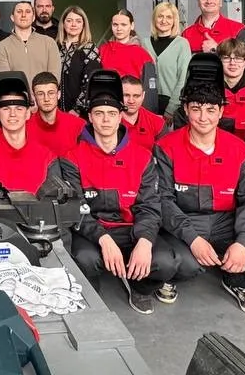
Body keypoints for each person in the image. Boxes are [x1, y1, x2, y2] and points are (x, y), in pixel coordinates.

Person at [155, 80, 245, 319]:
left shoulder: (240, 150)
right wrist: (192, 239)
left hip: (227, 222)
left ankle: (238, 281)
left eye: (211, 110)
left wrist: (243, 243)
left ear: (222, 111)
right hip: (185, 220)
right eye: (196, 109)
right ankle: (171, 277)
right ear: (185, 109)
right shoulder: (165, 147)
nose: (203, 117)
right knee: (182, 263)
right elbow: (162, 200)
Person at [66, 69, 172, 315]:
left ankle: (140, 287)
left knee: (166, 262)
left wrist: (145, 241)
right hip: (94, 230)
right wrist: (103, 239)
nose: (106, 120)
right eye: (99, 113)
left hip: (131, 228)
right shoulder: (72, 158)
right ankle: (91, 290)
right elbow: (76, 208)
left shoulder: (142, 157)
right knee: (83, 259)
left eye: (112, 113)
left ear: (120, 117)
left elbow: (150, 206)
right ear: (90, 117)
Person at [0, 72, 75, 194]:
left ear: (28, 113)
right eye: (6, 108)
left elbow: (55, 201)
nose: (12, 114)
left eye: (19, 109)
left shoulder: (48, 159)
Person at [0, 1, 61, 88]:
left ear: (33, 17)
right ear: (12, 17)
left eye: (28, 12)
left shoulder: (49, 43)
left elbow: (54, 77)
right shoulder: (2, 47)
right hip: (17, 96)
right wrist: (24, 94)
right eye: (19, 12)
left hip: (43, 95)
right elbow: (6, 80)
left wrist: (39, 93)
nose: (23, 15)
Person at [140, 1, 191, 115]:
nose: (164, 21)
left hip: (173, 105)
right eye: (160, 16)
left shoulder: (182, 44)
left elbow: (183, 79)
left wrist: (171, 109)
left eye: (169, 17)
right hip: (147, 104)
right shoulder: (145, 43)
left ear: (174, 21)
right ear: (154, 19)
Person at [181, 0, 245, 55]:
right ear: (198, 2)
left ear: (220, 2)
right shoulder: (186, 34)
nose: (209, 1)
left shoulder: (238, 30)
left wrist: (217, 49)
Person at [56, 6, 101, 116]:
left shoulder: (89, 49)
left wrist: (77, 109)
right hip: (55, 111)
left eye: (78, 21)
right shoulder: (55, 47)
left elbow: (92, 82)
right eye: (69, 21)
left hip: (78, 113)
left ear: (83, 25)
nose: (73, 25)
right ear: (63, 24)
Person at [28, 72, 86, 156]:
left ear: (58, 95)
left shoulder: (77, 125)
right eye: (40, 94)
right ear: (33, 97)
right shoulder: (25, 127)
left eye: (51, 93)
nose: (46, 99)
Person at [98, 9, 153, 81]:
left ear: (132, 26)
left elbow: (149, 83)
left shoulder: (142, 54)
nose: (119, 28)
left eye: (123, 25)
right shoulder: (102, 50)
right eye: (115, 24)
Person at [120, 75, 167, 149]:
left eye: (136, 96)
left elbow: (163, 154)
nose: (131, 101)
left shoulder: (157, 123)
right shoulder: (107, 122)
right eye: (126, 95)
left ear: (143, 95)